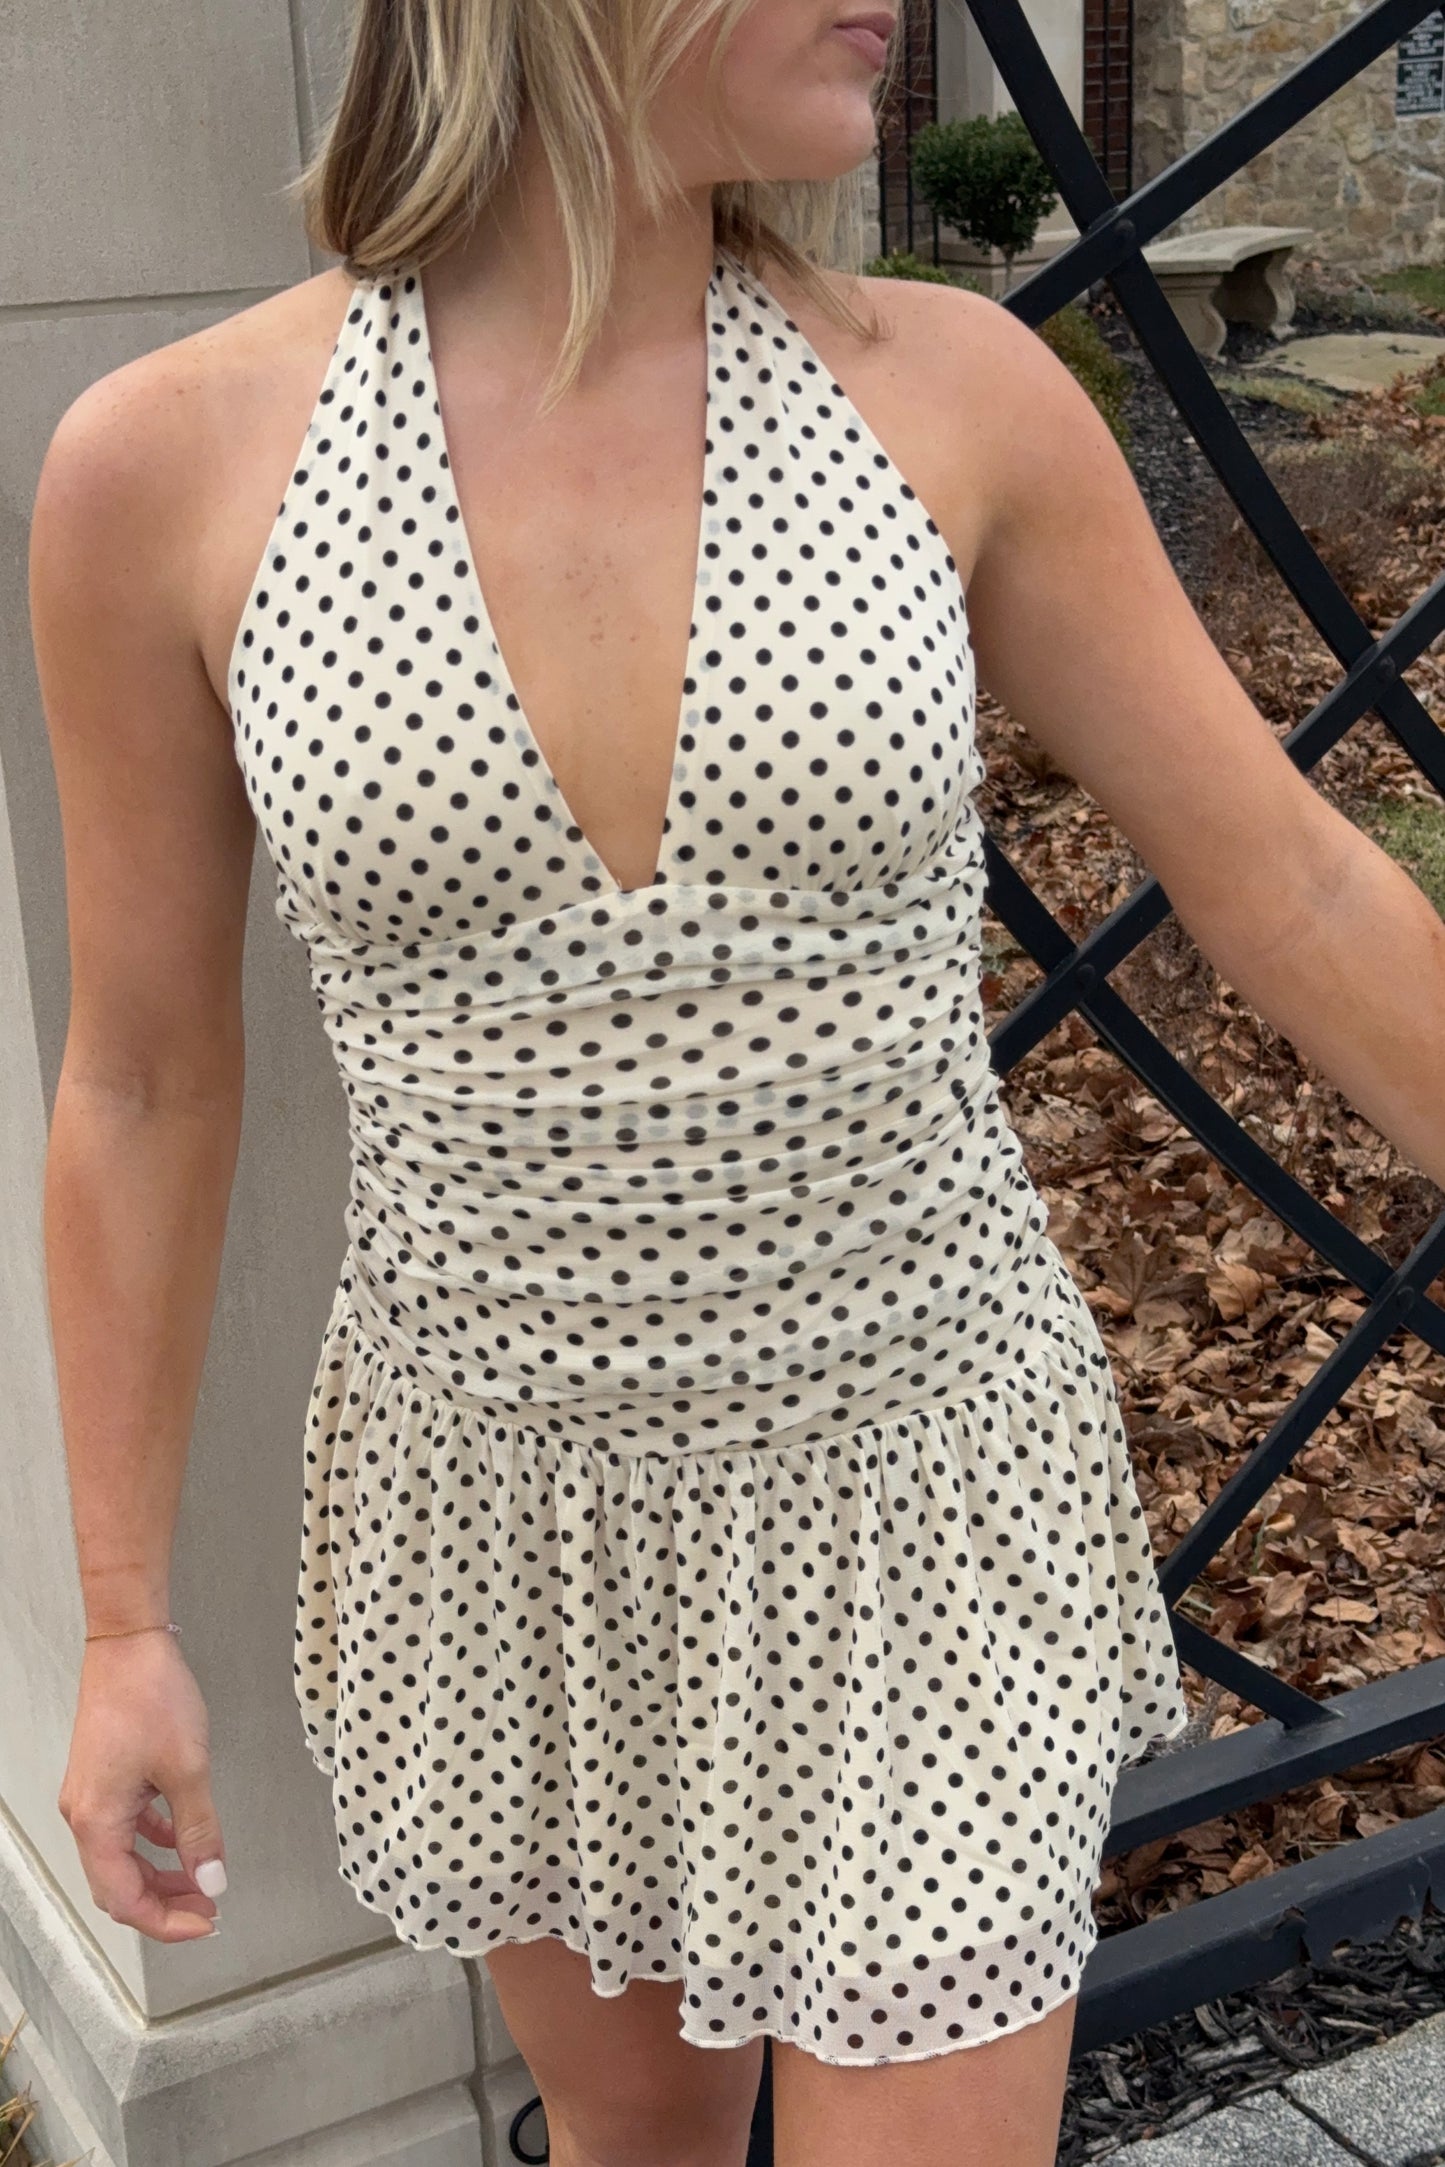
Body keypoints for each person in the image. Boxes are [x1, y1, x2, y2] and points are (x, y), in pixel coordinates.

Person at [29, 2, 1445, 2163]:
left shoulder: (952, 397)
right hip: (498, 1522)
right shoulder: (169, 464)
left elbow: (1296, 889)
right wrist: (122, 1618)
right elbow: (139, 1076)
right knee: (638, 2146)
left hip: (920, 1497)